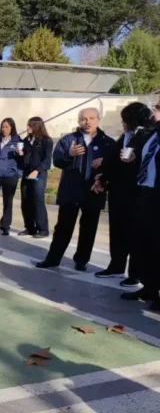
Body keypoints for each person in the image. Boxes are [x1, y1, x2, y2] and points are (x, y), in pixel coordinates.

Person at [36, 108, 115, 271]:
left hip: (93, 192)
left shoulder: (107, 142)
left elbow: (114, 169)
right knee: (63, 227)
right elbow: (57, 161)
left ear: (98, 120)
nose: (88, 122)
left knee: (88, 228)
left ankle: (81, 260)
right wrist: (69, 154)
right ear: (79, 122)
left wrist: (104, 180)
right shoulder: (69, 140)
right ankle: (53, 258)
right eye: (84, 119)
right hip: (71, 191)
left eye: (91, 118)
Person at [93, 102, 152, 286]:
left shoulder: (146, 136)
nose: (122, 123)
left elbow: (146, 163)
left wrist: (134, 161)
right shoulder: (126, 136)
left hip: (136, 192)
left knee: (135, 233)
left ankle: (135, 274)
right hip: (118, 190)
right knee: (117, 229)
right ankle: (116, 266)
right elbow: (113, 160)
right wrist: (102, 178)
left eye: (125, 119)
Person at [118, 103, 160, 309]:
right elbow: (148, 161)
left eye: (159, 107)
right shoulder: (152, 134)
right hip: (145, 193)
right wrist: (134, 159)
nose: (154, 111)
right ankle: (149, 287)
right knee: (144, 244)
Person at [19, 117, 54, 238]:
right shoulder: (26, 141)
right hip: (26, 174)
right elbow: (24, 160)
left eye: (30, 125)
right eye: (28, 125)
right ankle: (30, 228)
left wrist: (37, 171)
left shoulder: (46, 141)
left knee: (38, 200)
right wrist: (20, 154)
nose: (27, 128)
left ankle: (43, 229)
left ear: (37, 126)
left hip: (39, 175)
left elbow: (47, 161)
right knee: (25, 201)